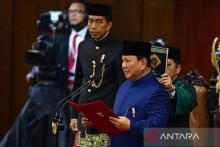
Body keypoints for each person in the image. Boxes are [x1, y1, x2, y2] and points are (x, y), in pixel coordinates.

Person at [0, 1, 89, 147]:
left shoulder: (91, 38)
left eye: (77, 11)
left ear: (86, 15)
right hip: (58, 88)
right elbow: (47, 59)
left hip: (81, 91)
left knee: (65, 126)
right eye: (70, 11)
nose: (72, 14)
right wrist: (34, 71)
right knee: (34, 108)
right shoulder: (60, 38)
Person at [69, 3, 125, 147]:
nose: (93, 26)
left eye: (99, 22)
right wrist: (73, 115)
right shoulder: (83, 46)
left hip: (105, 117)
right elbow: (78, 81)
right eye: (90, 21)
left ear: (109, 25)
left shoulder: (118, 48)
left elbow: (122, 87)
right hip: (83, 115)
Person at [109, 41, 170, 147]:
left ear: (143, 63)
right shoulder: (124, 86)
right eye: (122, 61)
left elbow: (158, 128)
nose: (123, 65)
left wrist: (131, 126)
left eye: (127, 61)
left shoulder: (156, 91)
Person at [159, 46, 197, 127]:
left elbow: (188, 102)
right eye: (161, 65)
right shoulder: (153, 85)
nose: (164, 69)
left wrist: (171, 89)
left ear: (178, 69)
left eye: (168, 65)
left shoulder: (186, 87)